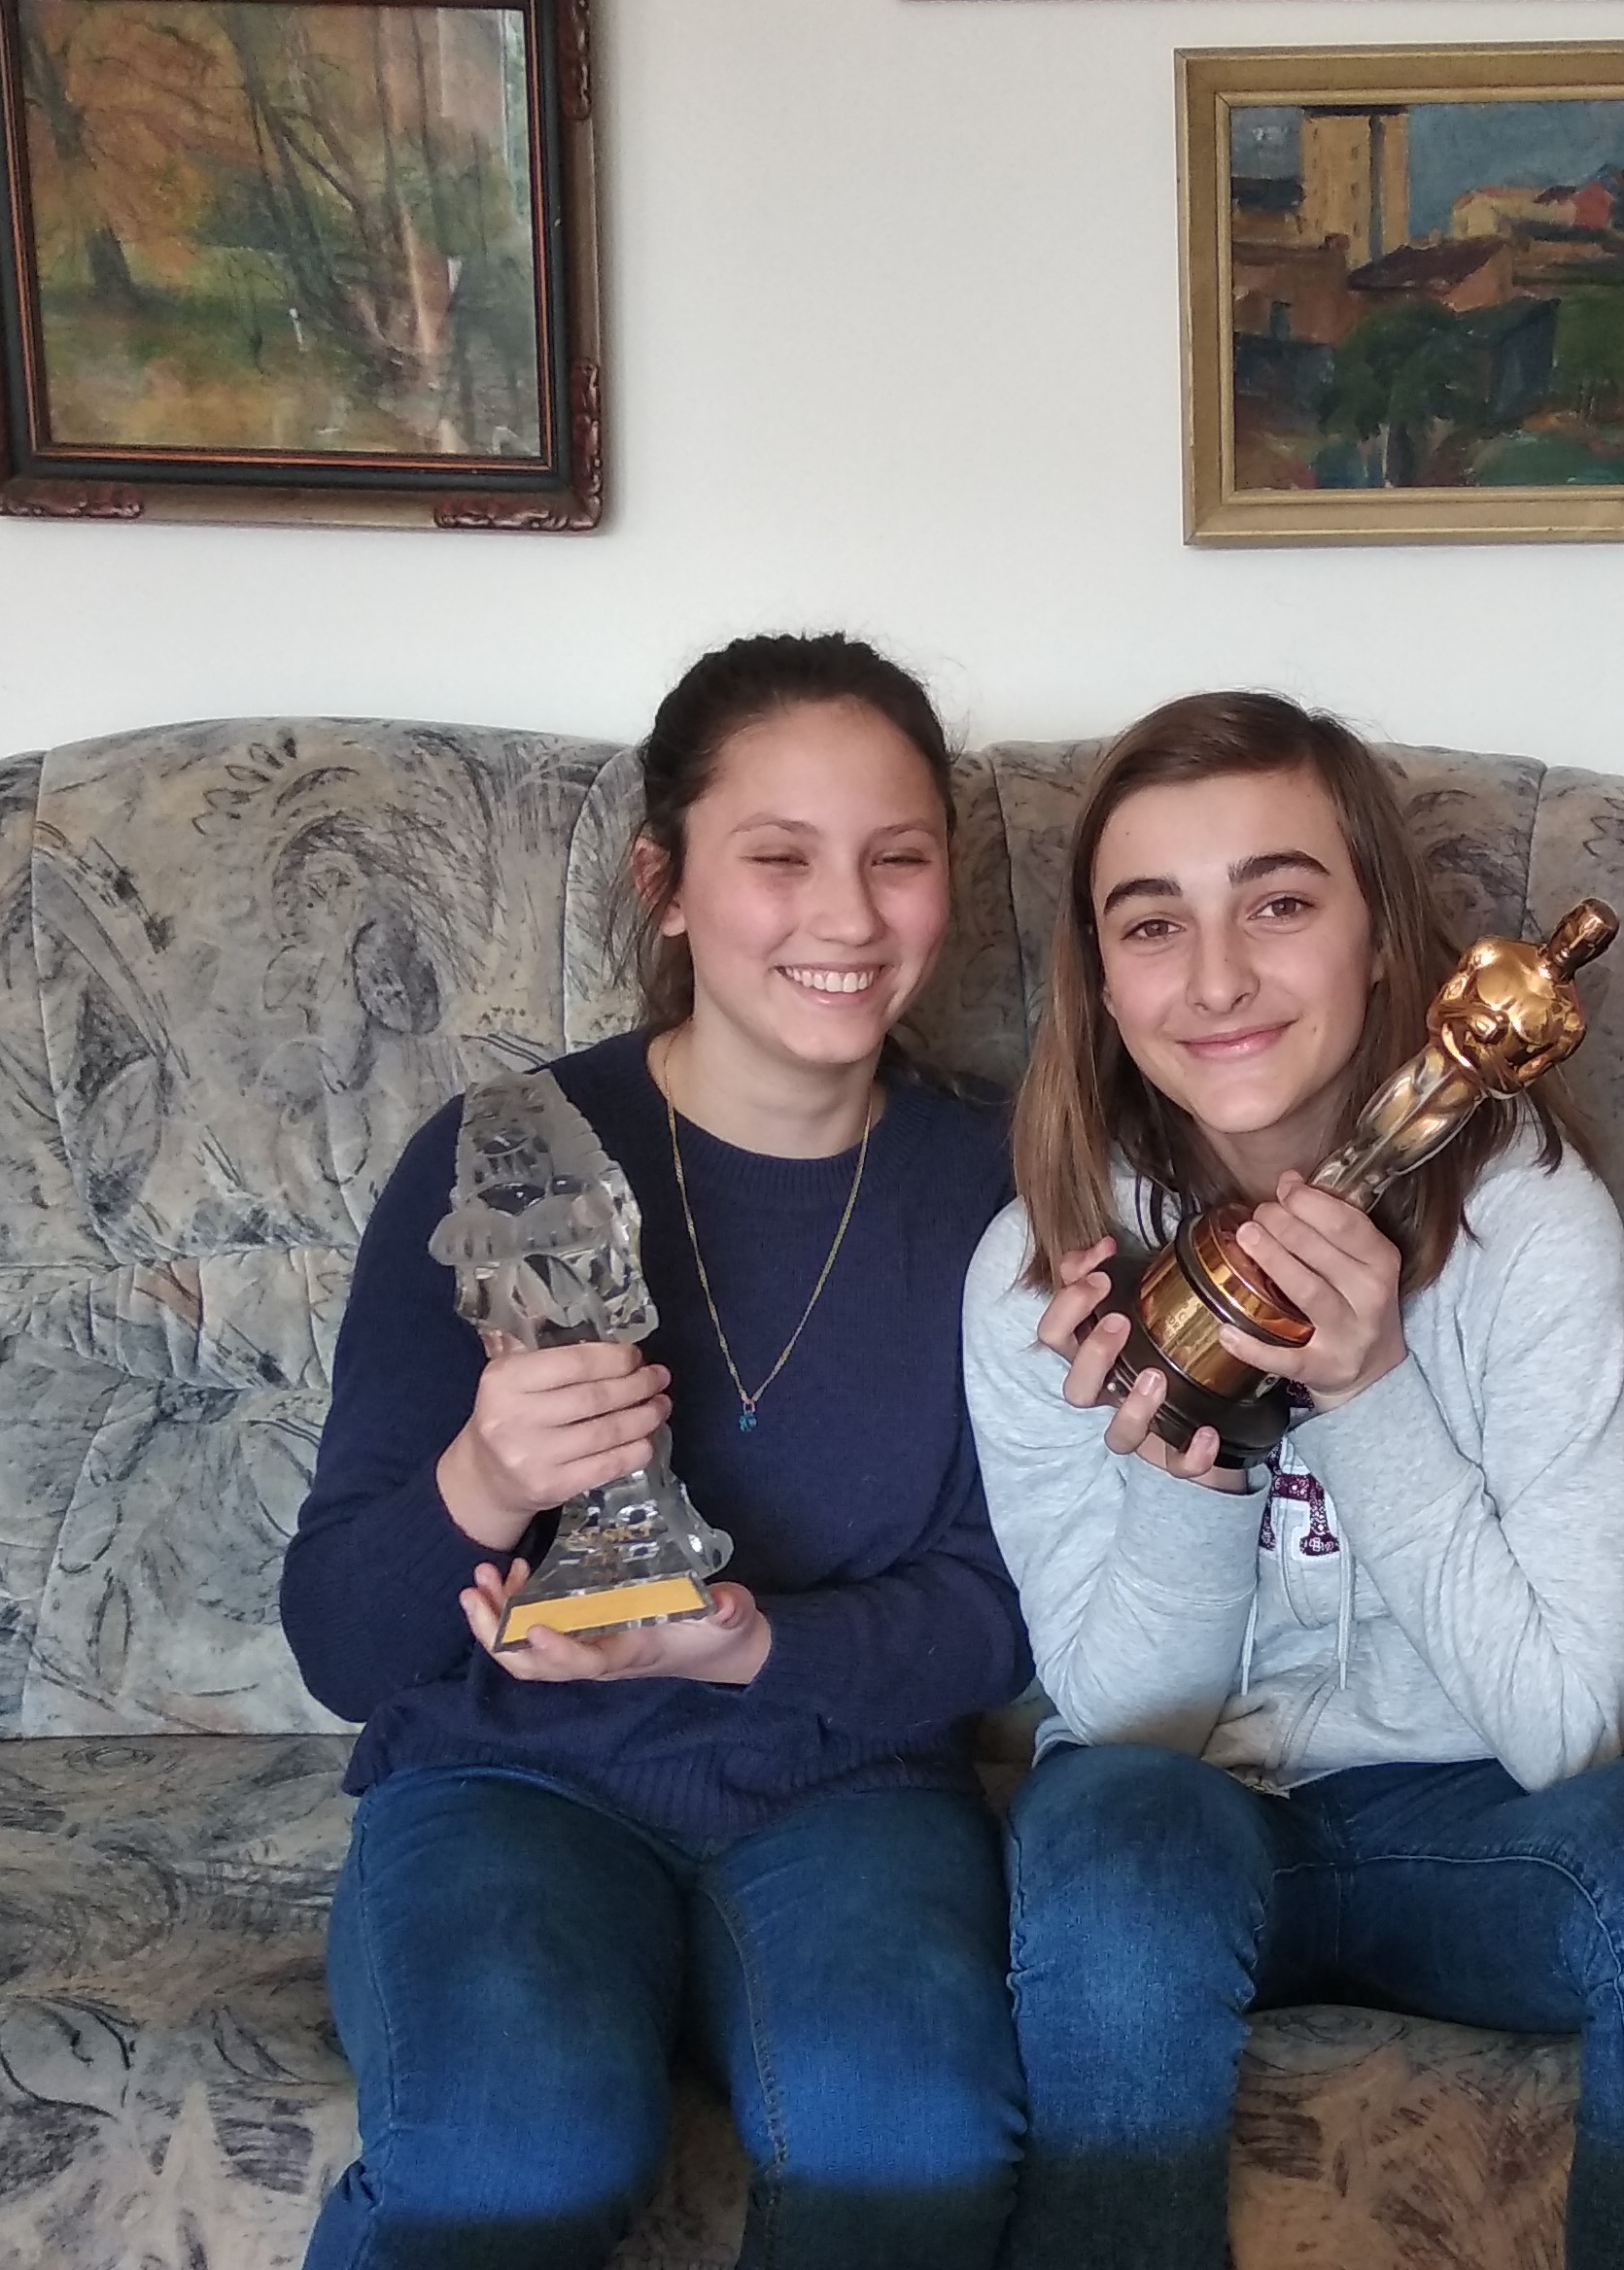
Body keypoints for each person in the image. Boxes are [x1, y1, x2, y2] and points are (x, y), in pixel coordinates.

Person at [963, 692, 1624, 2270]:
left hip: (1476, 1824)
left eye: (1279, 905)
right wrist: (1198, 1455)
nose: (1216, 979)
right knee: (1108, 1841)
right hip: (1179, 1826)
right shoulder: (1045, 1268)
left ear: (1381, 938)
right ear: (1099, 979)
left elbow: (1566, 1727)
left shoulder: (1530, 1225)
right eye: (1151, 924)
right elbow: (1130, 1723)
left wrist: (1365, 1393)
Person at [281, 634, 1028, 2270]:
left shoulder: (1001, 1188)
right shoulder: (504, 1158)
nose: (847, 917)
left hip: (850, 1780)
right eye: (780, 857)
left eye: (897, 859)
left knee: (907, 2140)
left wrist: (752, 1645)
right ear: (665, 884)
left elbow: (1005, 1606)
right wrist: (484, 1482)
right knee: (513, 2154)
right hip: (507, 1777)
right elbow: (341, 1644)